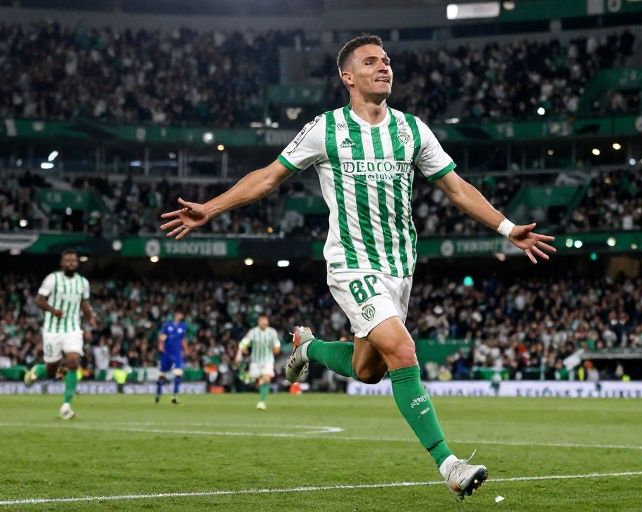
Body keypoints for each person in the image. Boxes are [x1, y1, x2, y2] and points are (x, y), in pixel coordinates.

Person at [161, 33, 555, 500]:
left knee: (369, 371)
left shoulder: (411, 129)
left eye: (386, 60)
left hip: (400, 268)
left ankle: (309, 348)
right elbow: (268, 177)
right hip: (351, 263)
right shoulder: (325, 129)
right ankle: (449, 464)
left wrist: (507, 227)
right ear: (347, 77)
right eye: (371, 62)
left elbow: (456, 188)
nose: (383, 67)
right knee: (403, 351)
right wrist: (210, 208)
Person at [24, 249, 96, 420]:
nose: (71, 263)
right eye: (68, 260)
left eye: (74, 260)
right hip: (52, 330)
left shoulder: (82, 282)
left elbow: (85, 303)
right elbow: (39, 299)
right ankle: (38, 370)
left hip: (72, 328)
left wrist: (91, 319)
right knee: (52, 368)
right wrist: (52, 310)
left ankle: (66, 405)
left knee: (73, 360)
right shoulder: (52, 279)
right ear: (62, 263)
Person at [235, 314, 281, 410]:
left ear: (267, 322)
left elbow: (277, 346)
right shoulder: (253, 332)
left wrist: (276, 349)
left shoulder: (272, 332)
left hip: (268, 360)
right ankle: (257, 380)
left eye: (265, 320)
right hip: (255, 361)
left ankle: (262, 402)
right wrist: (239, 353)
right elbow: (243, 343)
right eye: (261, 321)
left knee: (266, 378)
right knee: (256, 381)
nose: (263, 322)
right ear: (258, 322)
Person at [155, 310, 188, 404]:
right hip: (167, 353)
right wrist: (161, 345)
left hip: (177, 354)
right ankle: (158, 394)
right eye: (179, 314)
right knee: (163, 374)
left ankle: (174, 396)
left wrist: (186, 349)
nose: (180, 315)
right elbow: (162, 337)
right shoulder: (168, 326)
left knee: (178, 374)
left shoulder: (183, 326)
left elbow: (183, 339)